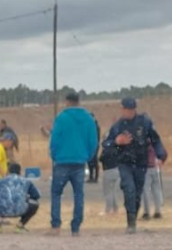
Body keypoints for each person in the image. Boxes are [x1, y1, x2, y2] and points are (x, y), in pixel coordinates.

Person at [102, 98, 167, 234]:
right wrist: (116, 141)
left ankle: (133, 217)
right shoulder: (118, 126)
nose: (127, 112)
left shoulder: (144, 122)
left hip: (140, 163)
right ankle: (130, 222)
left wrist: (161, 155)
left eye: (130, 109)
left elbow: (155, 139)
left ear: (134, 109)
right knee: (129, 189)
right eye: (125, 109)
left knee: (137, 193)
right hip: (124, 163)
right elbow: (106, 144)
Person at [48, 92, 98, 237]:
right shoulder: (89, 119)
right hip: (79, 162)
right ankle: (75, 227)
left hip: (62, 161)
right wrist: (87, 156)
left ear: (67, 102)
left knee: (56, 193)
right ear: (79, 101)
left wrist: (55, 155)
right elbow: (93, 141)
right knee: (78, 194)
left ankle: (56, 225)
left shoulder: (61, 118)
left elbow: (54, 139)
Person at [0, 163, 41, 233]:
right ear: (20, 172)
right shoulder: (26, 181)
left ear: (8, 171)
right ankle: (20, 225)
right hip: (20, 210)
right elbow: (36, 196)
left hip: (0, 209)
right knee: (35, 204)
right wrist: (25, 198)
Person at [141, 144, 164, 220]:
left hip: (146, 168)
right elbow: (164, 153)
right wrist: (161, 160)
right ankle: (158, 211)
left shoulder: (143, 142)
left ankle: (147, 213)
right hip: (156, 168)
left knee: (146, 191)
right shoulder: (156, 143)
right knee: (157, 190)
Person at [99, 141, 121, 216]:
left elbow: (101, 159)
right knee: (114, 191)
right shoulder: (117, 150)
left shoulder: (106, 151)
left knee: (108, 192)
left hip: (108, 170)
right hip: (117, 170)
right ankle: (115, 208)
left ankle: (108, 209)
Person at [87, 113, 101, 183]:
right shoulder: (88, 126)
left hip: (95, 145)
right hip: (89, 145)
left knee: (94, 161)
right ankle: (91, 176)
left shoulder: (96, 126)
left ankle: (96, 177)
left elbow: (97, 137)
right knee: (89, 161)